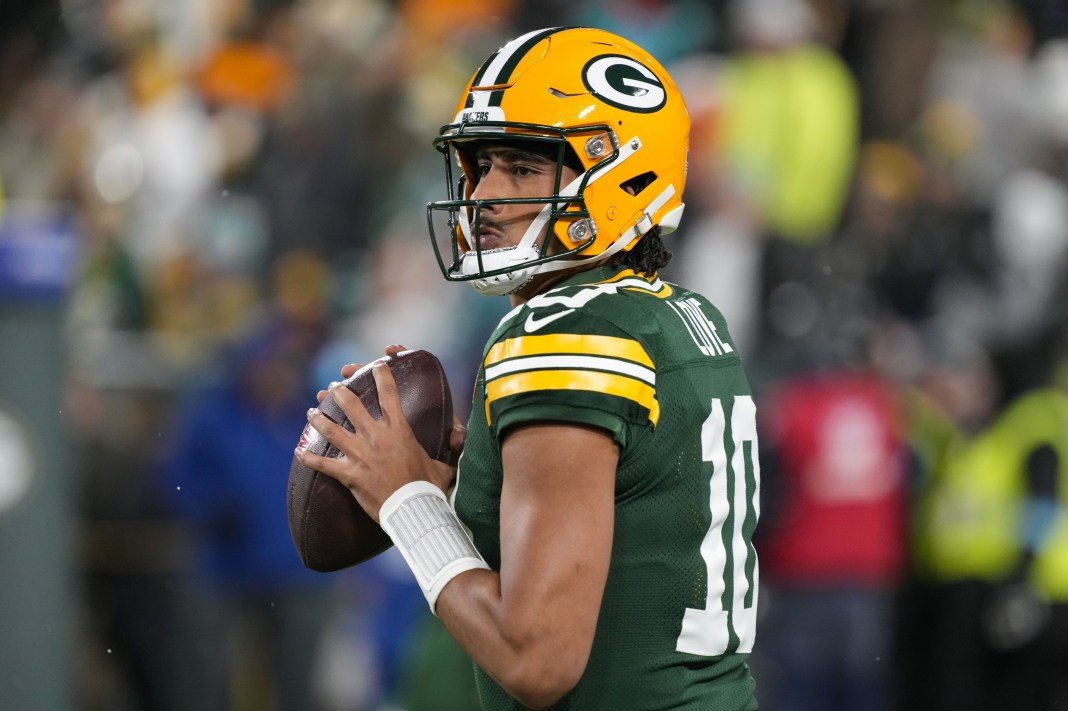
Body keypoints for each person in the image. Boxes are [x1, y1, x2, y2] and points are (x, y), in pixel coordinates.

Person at [296, 27, 761, 710]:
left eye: (521, 167)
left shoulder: (562, 334)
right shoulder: (685, 317)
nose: (484, 195)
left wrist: (408, 503)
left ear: (618, 174)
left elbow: (537, 656)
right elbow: (635, 531)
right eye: (480, 165)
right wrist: (463, 493)